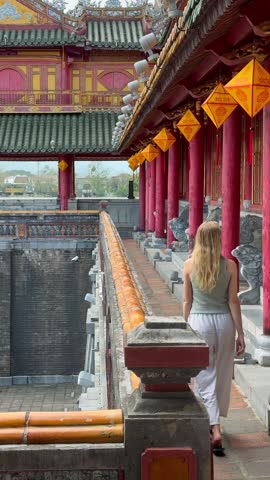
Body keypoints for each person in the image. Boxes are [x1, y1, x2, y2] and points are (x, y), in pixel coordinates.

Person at [183, 221, 245, 456]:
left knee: (204, 374)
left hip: (199, 322)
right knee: (221, 373)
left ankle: (213, 427)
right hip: (224, 322)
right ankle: (215, 422)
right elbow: (233, 301)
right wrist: (240, 332)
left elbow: (187, 301)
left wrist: (183, 326)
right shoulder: (230, 266)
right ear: (218, 239)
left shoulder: (189, 265)